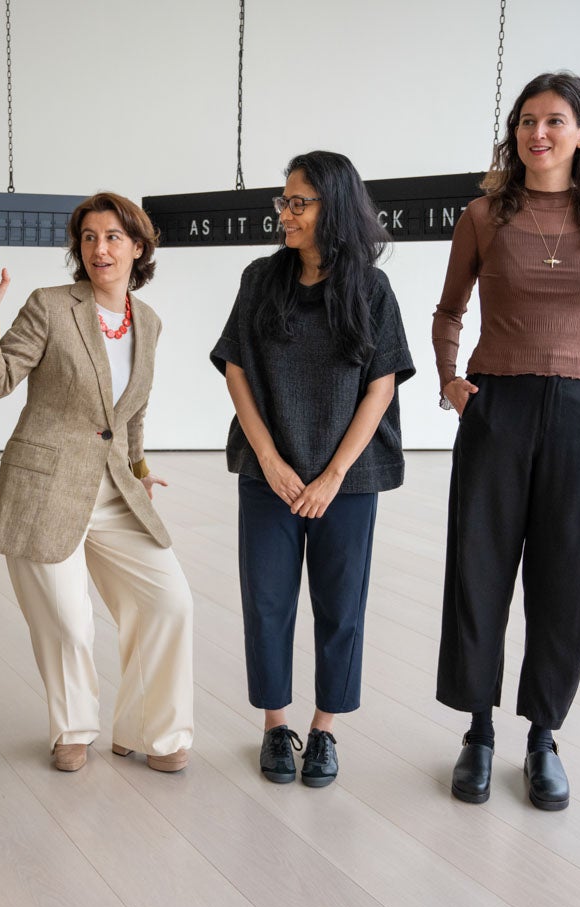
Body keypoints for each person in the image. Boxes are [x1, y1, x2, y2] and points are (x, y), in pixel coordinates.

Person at [433, 71, 580, 811]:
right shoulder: (483, 214)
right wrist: (450, 382)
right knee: (479, 567)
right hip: (498, 405)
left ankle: (543, 734)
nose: (538, 134)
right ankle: (479, 731)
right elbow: (447, 310)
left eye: (554, 121)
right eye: (527, 120)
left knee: (569, 577)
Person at [0, 193, 194, 774]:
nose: (100, 248)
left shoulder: (150, 321)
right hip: (47, 486)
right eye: (88, 237)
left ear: (138, 247)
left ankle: (149, 730)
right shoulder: (51, 306)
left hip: (116, 491)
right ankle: (73, 727)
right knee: (68, 620)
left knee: (169, 602)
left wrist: (139, 466)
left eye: (113, 237)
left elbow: (132, 409)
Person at [210, 151, 414, 788]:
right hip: (268, 474)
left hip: (347, 481)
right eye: (284, 200)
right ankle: (276, 727)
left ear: (335, 208)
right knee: (267, 602)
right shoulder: (259, 279)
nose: (286, 213)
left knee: (340, 606)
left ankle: (324, 729)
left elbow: (380, 386)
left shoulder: (371, 289)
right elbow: (237, 369)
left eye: (299, 202)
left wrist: (331, 477)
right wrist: (268, 458)